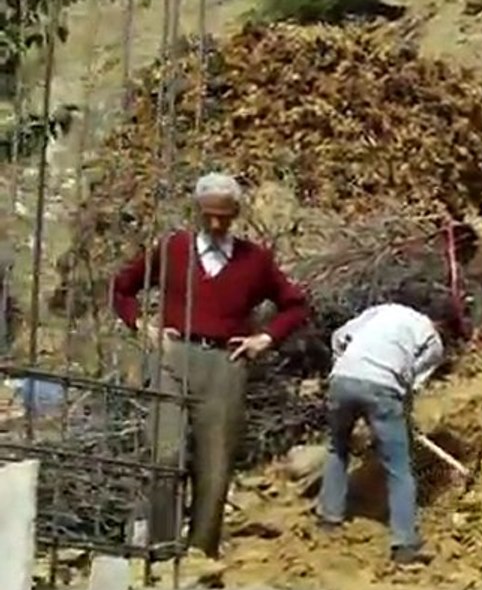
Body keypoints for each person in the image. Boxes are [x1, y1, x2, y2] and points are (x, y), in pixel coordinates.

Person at [112, 172, 309, 557]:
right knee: (164, 454)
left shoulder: (256, 261)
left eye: (224, 216)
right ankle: (161, 547)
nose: (216, 224)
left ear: (236, 213)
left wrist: (264, 339)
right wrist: (141, 324)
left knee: (215, 464)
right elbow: (121, 287)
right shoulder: (172, 249)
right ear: (197, 212)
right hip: (172, 355)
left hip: (224, 362)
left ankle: (202, 552)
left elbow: (295, 304)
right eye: (209, 216)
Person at [317, 300, 458, 565]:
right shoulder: (432, 341)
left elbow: (339, 337)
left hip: (342, 379)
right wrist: (403, 418)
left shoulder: (385, 310)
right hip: (383, 388)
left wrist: (343, 368)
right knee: (399, 467)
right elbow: (411, 384)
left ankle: (329, 518)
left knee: (338, 447)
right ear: (443, 327)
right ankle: (404, 543)